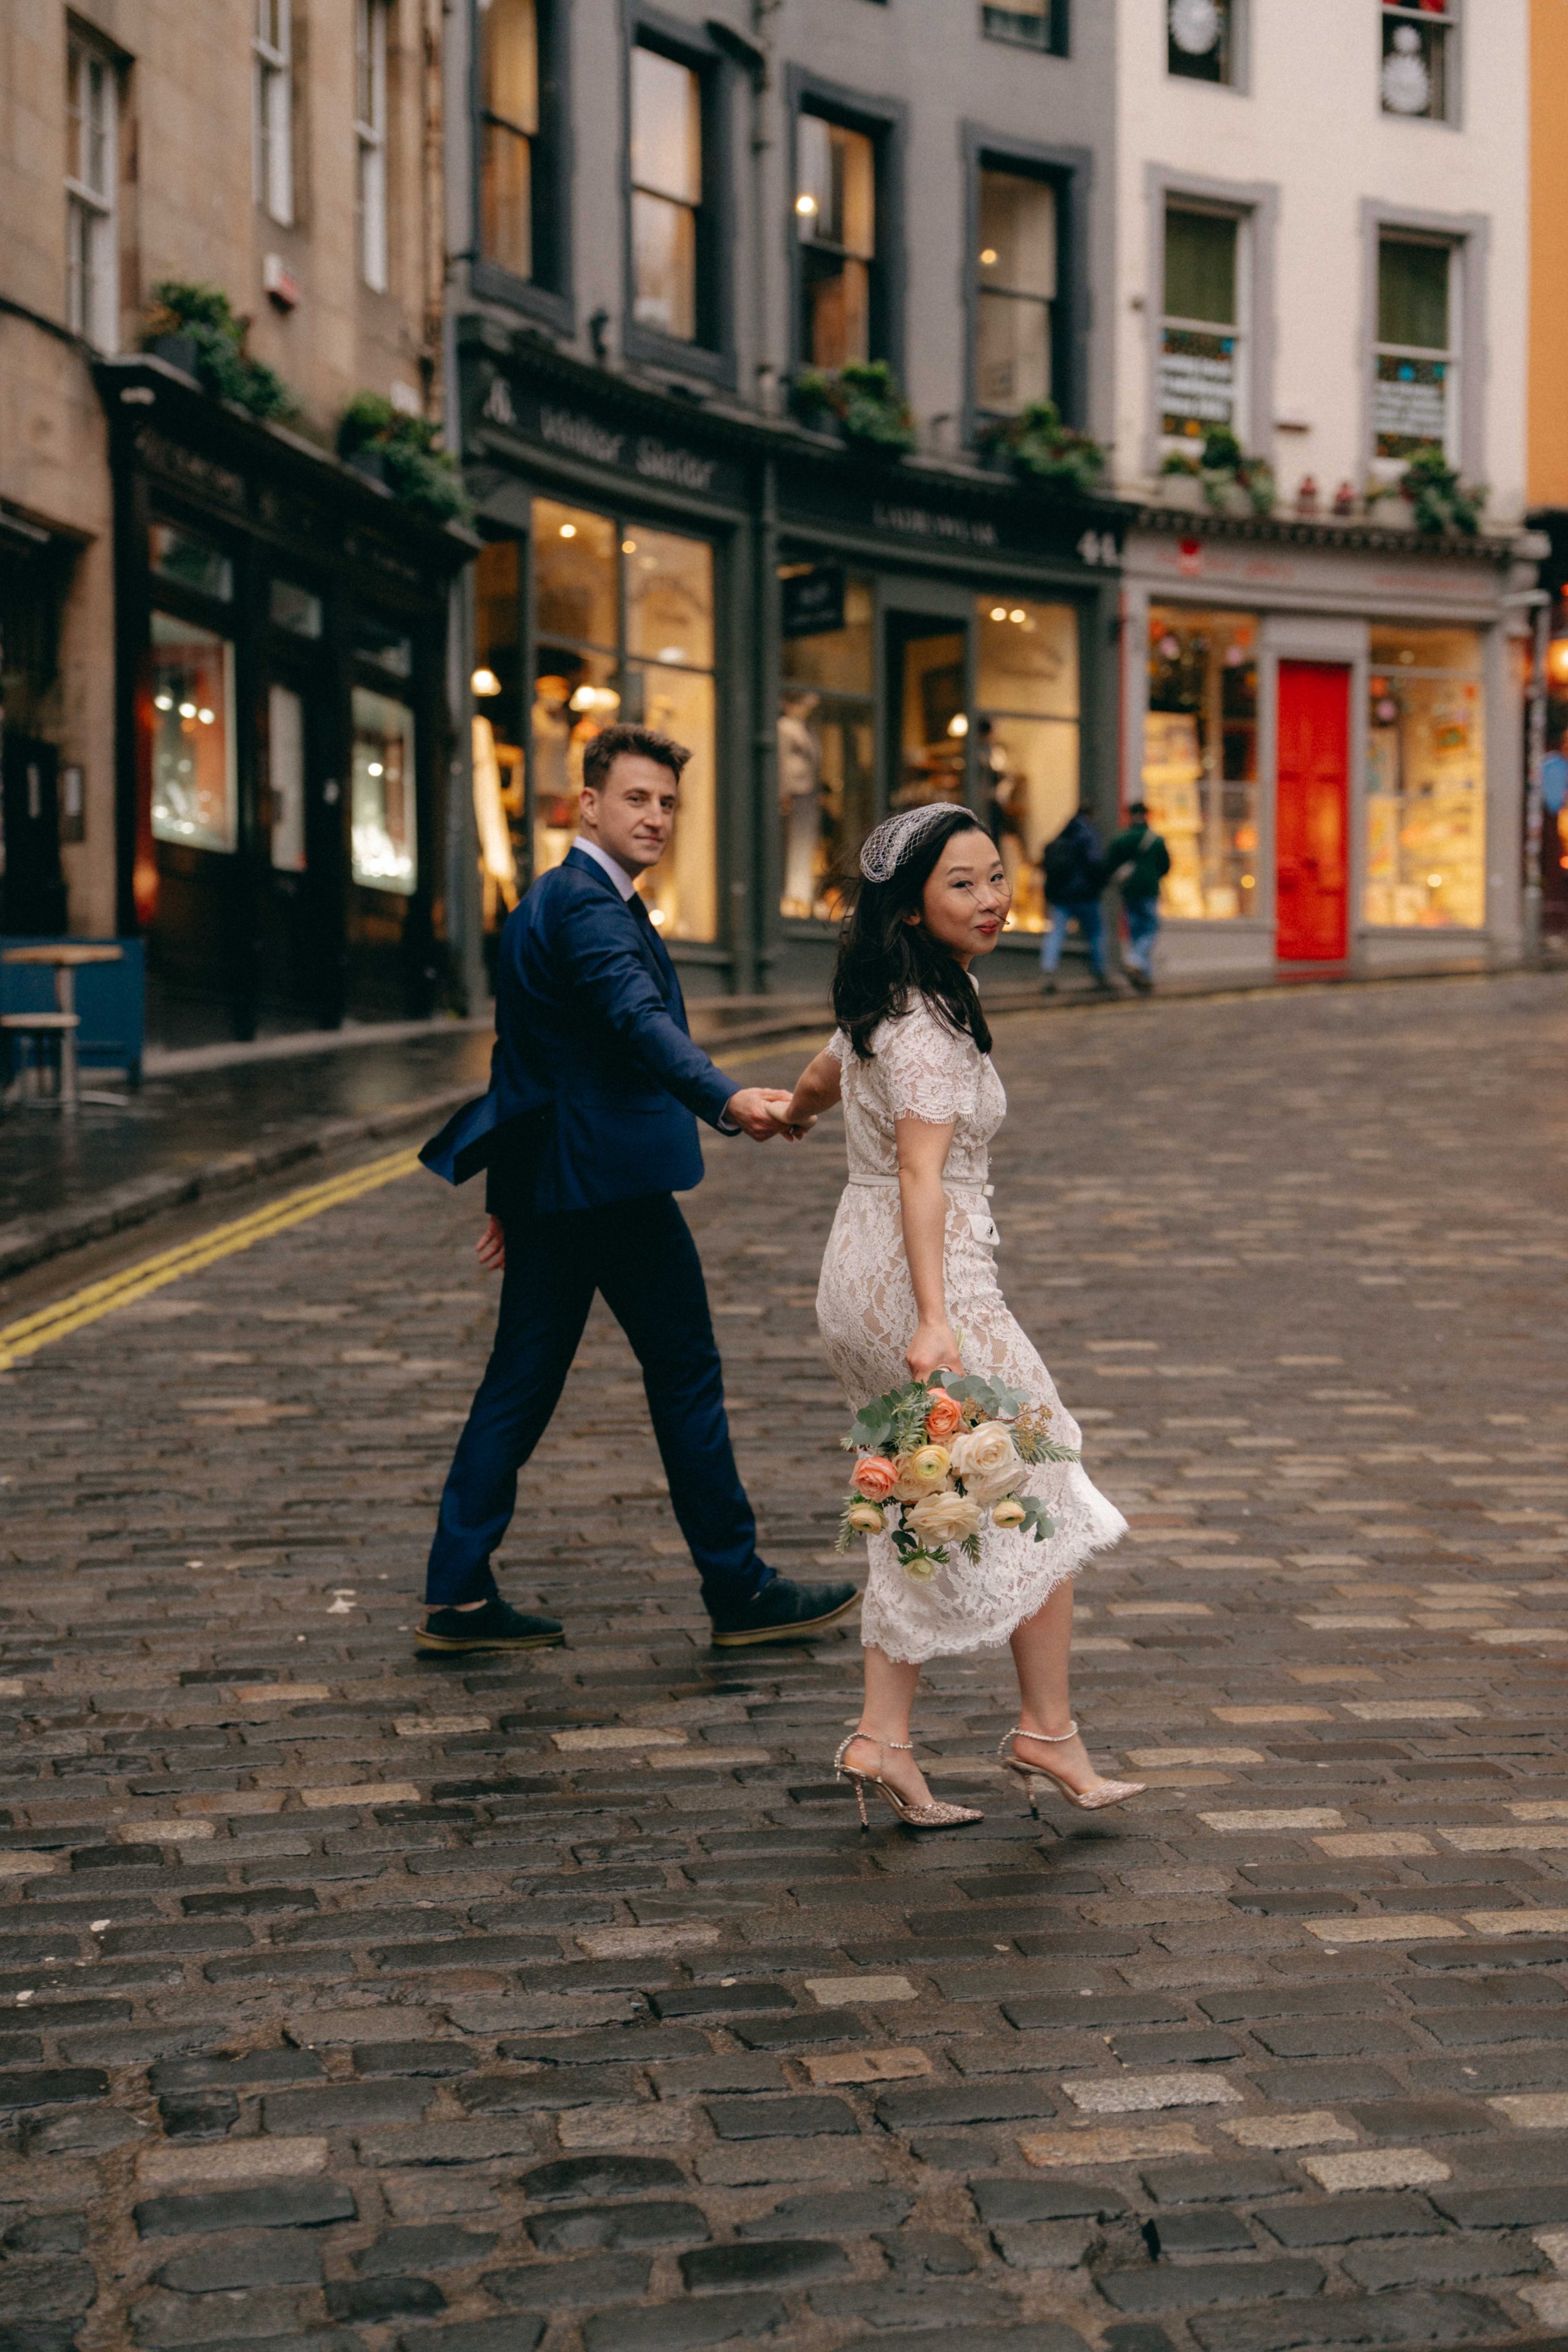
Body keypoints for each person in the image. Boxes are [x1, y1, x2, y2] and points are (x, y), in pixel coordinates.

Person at [417, 722, 859, 1656]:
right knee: (684, 1373)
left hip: (557, 1188)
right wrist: (726, 1098)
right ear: (588, 804)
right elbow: (638, 1020)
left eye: (667, 803)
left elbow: (523, 1057)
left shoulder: (551, 900)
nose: (655, 816)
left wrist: (510, 1194)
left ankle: (456, 1594)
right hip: (610, 1191)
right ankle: (738, 1587)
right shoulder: (590, 909)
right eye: (635, 798)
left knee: (518, 1384)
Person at [776, 804, 1140, 1828]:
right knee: (1043, 1468)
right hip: (923, 1278)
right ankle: (1046, 1729)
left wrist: (790, 1113)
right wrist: (937, 1318)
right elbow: (921, 1173)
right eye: (963, 884)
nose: (992, 900)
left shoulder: (895, 994)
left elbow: (826, 1071)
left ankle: (882, 1738)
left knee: (921, 1490)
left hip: (858, 1273)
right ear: (911, 906)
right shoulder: (933, 1024)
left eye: (996, 877)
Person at [1103, 799, 1171, 995]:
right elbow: (1165, 866)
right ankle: (1136, 961)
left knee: (1136, 932)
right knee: (1150, 929)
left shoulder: (1121, 839)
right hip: (1149, 890)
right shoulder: (1156, 840)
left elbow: (1110, 863)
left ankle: (1143, 976)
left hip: (1129, 891)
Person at [1040, 805, 1111, 992]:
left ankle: (1048, 970)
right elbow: (1095, 862)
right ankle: (1100, 972)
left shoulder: (1064, 833)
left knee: (1056, 933)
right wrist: (1101, 882)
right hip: (1085, 895)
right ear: (1091, 815)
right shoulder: (1089, 835)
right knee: (1097, 932)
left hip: (1062, 896)